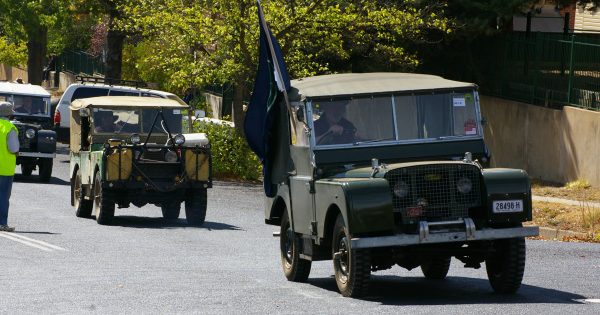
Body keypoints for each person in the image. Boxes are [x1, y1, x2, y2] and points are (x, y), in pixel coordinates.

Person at [0, 102, 19, 232]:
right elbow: (13, 148)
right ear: (10, 114)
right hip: (5, 168)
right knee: (3, 196)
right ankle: (2, 223)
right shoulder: (9, 128)